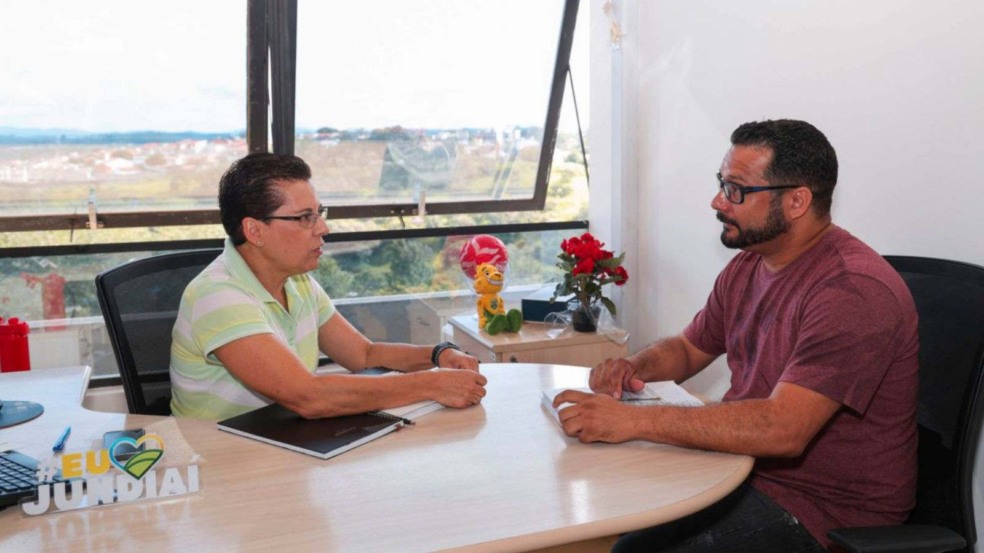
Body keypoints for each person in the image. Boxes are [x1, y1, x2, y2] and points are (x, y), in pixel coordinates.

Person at [553, 119, 918, 551]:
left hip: (827, 512)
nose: (718, 201)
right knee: (612, 513)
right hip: (742, 470)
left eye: (736, 190)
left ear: (797, 201)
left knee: (637, 549)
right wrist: (634, 367)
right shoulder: (752, 262)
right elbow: (690, 348)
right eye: (722, 184)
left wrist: (633, 420)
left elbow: (784, 429)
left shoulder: (852, 291)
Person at [170, 153, 487, 420]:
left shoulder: (297, 281)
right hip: (220, 463)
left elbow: (364, 354)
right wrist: (431, 385)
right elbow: (308, 397)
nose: (323, 228)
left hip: (281, 440)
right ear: (254, 230)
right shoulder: (217, 295)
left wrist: (437, 354)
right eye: (305, 217)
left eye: (318, 213)